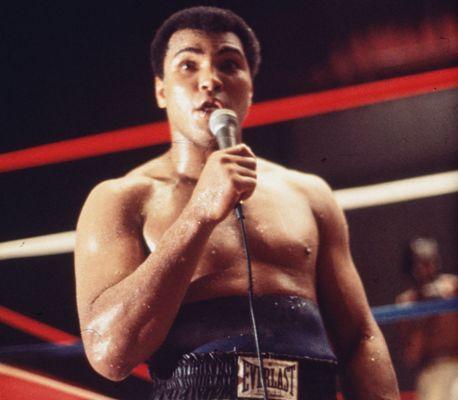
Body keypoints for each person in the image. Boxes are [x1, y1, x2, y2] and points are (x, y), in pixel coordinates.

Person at [74, 6, 400, 399]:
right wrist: (199, 213)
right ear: (161, 90)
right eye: (188, 66)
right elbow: (109, 354)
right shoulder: (124, 198)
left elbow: (359, 338)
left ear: (249, 86)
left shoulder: (310, 194)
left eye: (228, 64)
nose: (210, 80)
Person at [396, 237, 458, 400]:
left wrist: (446, 300)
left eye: (428, 262)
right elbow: (411, 356)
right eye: (419, 263)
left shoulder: (453, 288)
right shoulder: (407, 303)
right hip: (430, 373)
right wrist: (423, 318)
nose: (424, 269)